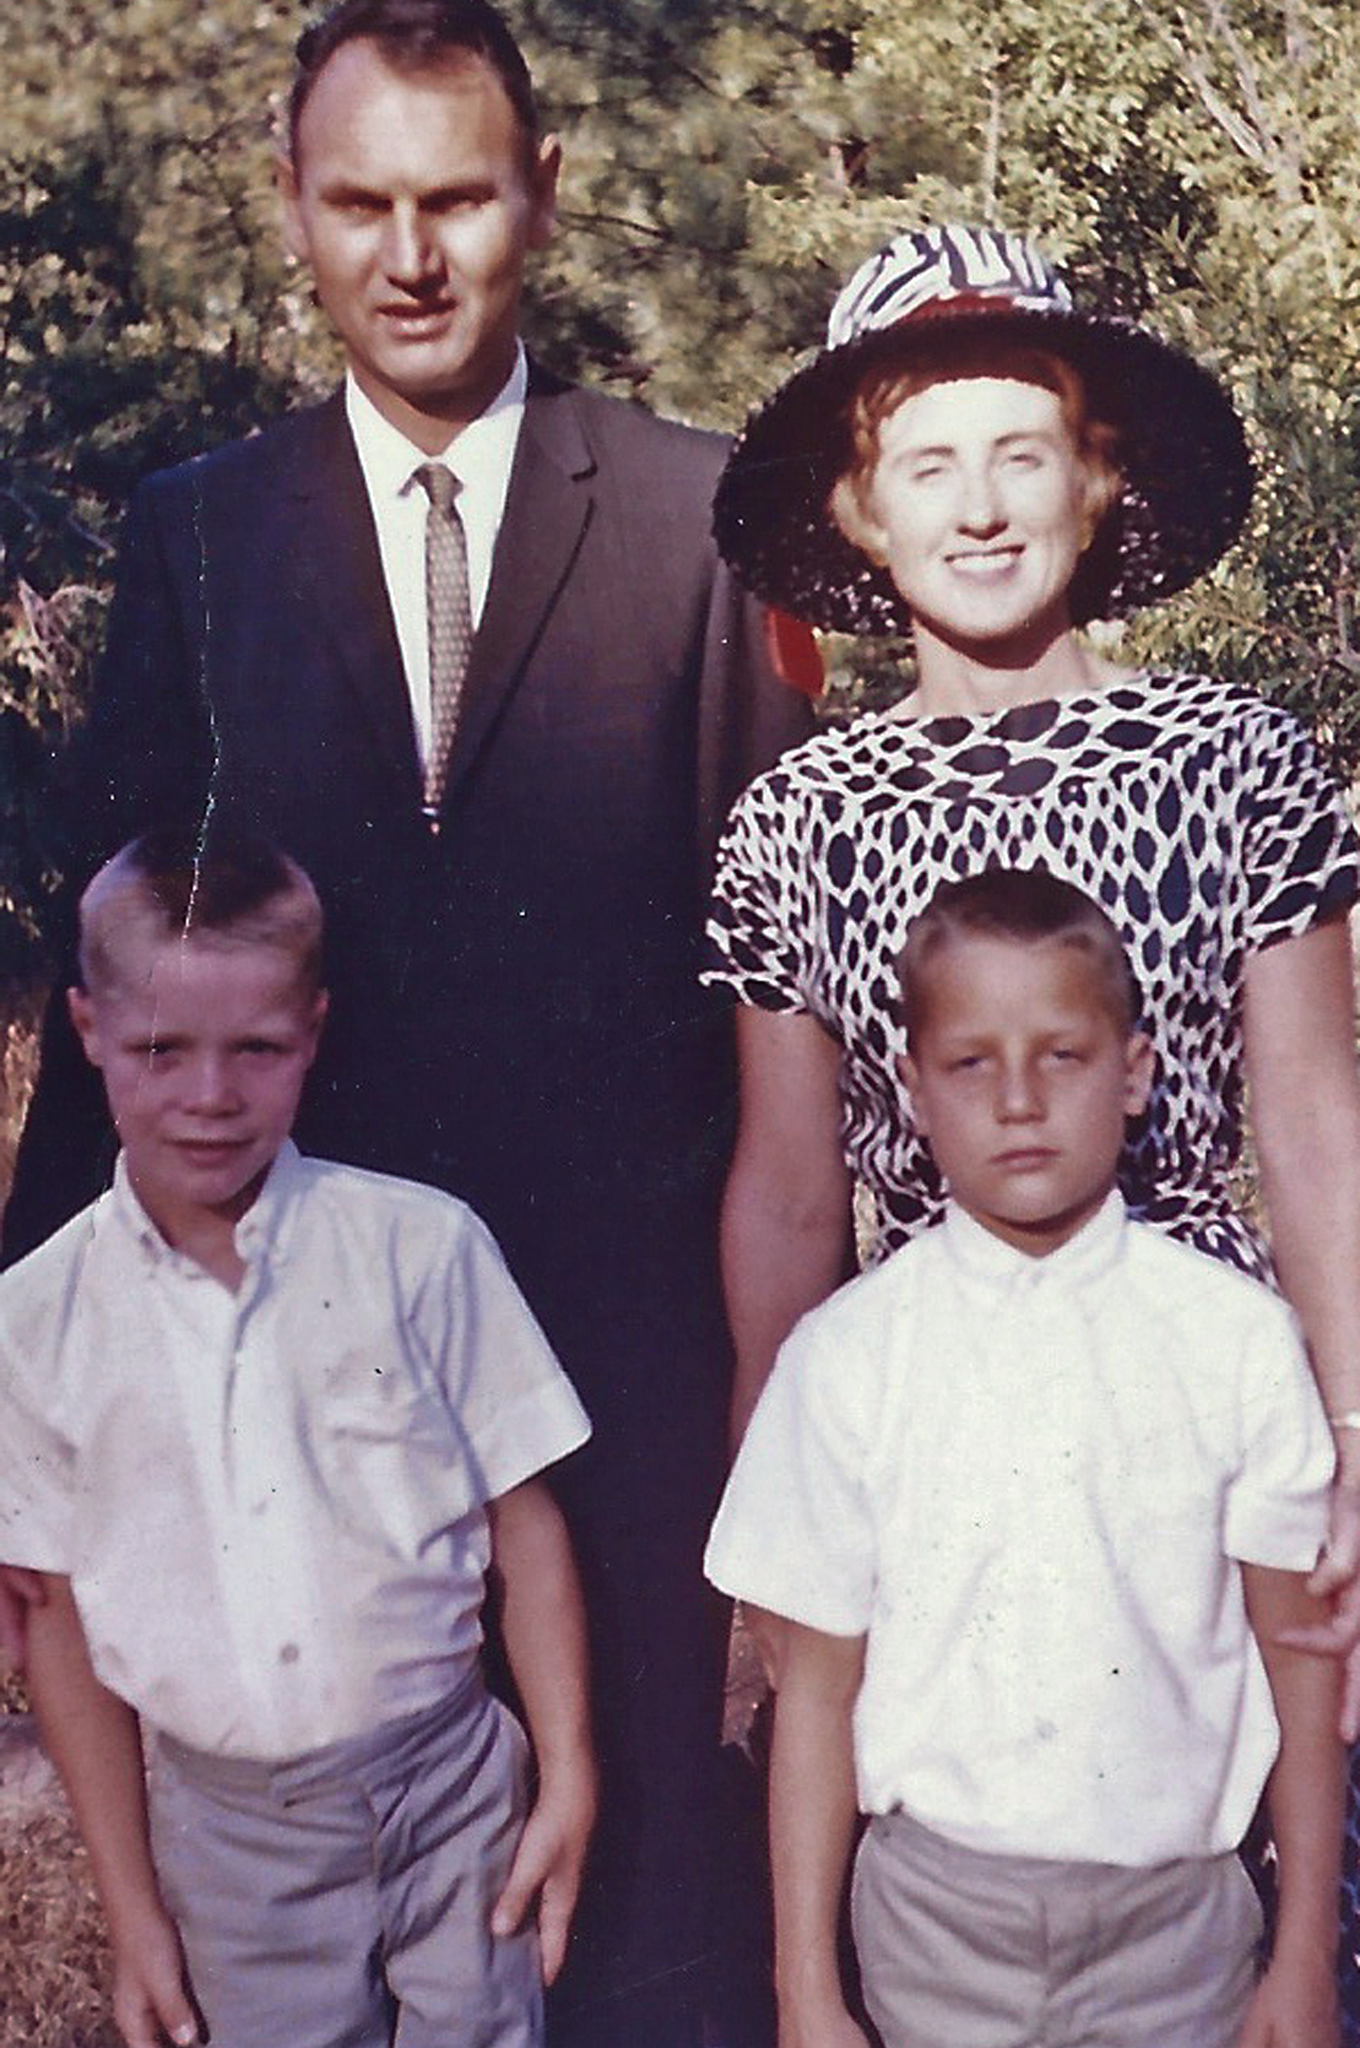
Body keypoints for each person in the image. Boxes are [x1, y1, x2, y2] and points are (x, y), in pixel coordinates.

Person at [1, 4, 812, 2040]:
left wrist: (791, 1410)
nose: (411, 252)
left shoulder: (699, 521)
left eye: (455, 194)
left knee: (631, 1930)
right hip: (284, 1354)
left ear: (542, 196)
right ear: (293, 209)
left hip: (622, 1368)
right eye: (358, 200)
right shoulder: (195, 533)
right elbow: (124, 961)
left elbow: (780, 1015)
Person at [703, 222, 1360, 2025]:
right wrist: (770, 1500)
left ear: (1096, 477)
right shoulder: (798, 814)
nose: (978, 509)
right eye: (928, 463)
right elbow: (787, 1184)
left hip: (1193, 1427)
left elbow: (1311, 1121)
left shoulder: (1241, 762)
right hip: (929, 1437)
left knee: (1224, 1887)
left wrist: (1358, 1419)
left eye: (1020, 452)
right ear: (858, 511)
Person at [707, 865, 1345, 2048]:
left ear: (1136, 1068)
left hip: (1179, 1926)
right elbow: (816, 1691)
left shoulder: (1233, 1338)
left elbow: (1299, 1658)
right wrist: (805, 1987)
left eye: (1061, 1054)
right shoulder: (849, 1356)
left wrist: (1302, 1945)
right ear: (908, 1086)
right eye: (970, 1062)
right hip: (934, 1920)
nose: (1017, 1100)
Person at [0, 827, 595, 2048]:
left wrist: (571, 1767)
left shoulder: (418, 1249)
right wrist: (135, 1911)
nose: (210, 1096)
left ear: (312, 1033)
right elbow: (51, 1617)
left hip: (452, 1789)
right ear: (87, 1029)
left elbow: (525, 1527)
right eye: (161, 1048)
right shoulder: (33, 1321)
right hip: (229, 1835)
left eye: (256, 1049)